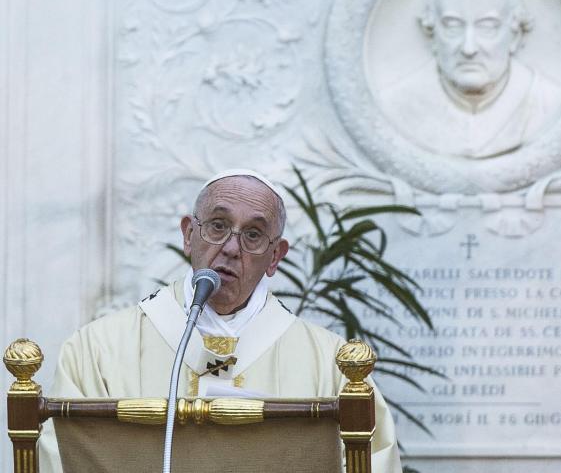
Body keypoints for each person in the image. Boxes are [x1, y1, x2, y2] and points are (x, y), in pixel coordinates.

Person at [39, 169, 402, 473]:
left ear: (275, 257)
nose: (231, 248)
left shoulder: (334, 364)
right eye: (217, 225)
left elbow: (372, 460)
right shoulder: (96, 351)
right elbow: (63, 460)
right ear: (188, 234)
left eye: (254, 235)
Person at [380, 0, 561, 159]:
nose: (469, 48)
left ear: (515, 36)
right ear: (432, 35)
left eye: (487, 27)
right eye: (452, 26)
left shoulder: (550, 104)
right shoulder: (397, 105)